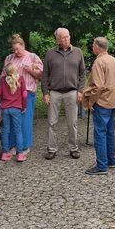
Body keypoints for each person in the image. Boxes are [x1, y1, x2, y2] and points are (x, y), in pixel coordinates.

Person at [41, 28, 86, 160]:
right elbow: (45, 74)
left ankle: (73, 148)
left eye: (67, 36)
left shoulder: (78, 52)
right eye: (63, 38)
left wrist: (80, 91)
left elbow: (82, 73)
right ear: (58, 40)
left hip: (72, 91)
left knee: (72, 122)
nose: (66, 39)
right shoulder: (50, 54)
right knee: (52, 122)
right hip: (54, 91)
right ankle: (51, 149)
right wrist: (45, 92)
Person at [82, 37, 115, 175]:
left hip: (102, 101)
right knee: (110, 132)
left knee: (100, 133)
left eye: (93, 45)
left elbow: (98, 86)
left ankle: (101, 165)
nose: (92, 47)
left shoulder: (99, 62)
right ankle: (111, 160)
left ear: (97, 46)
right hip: (113, 100)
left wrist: (91, 101)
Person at [0, 34, 43, 160]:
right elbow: (3, 75)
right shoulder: (9, 58)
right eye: (14, 50)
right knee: (11, 122)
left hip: (27, 92)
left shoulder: (33, 57)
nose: (16, 52)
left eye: (18, 49)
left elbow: (41, 75)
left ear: (23, 46)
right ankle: (13, 145)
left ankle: (24, 146)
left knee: (25, 120)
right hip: (11, 94)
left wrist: (30, 70)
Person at [0, 63, 28, 162]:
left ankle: (5, 153)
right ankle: (20, 154)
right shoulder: (21, 79)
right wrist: (24, 106)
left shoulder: (3, 80)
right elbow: (25, 95)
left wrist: (1, 102)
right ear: (15, 70)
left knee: (6, 130)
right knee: (18, 130)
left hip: (5, 109)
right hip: (16, 108)